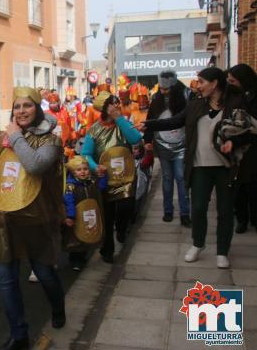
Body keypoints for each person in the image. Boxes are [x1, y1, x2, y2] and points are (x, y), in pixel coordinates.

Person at [0, 87, 66, 350]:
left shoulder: (51, 140)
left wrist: (16, 137)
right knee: (6, 278)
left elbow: (35, 165)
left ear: (37, 108)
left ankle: (57, 306)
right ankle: (19, 334)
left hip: (36, 218)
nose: (21, 111)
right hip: (5, 217)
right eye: (17, 107)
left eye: (27, 105)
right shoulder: (6, 139)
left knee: (44, 273)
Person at [141, 67, 246, 268]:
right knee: (198, 208)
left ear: (214, 83)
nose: (198, 85)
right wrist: (149, 125)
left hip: (225, 166)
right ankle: (198, 244)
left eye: (201, 81)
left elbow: (246, 129)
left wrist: (234, 142)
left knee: (225, 210)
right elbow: (175, 121)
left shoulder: (234, 104)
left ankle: (222, 252)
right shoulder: (195, 105)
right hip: (199, 166)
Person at [81, 91, 143, 264]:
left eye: (118, 103)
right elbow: (85, 154)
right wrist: (95, 167)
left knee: (126, 208)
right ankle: (106, 249)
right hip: (105, 179)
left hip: (126, 178)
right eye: (113, 103)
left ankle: (122, 229)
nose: (117, 106)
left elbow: (135, 139)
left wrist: (119, 119)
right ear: (104, 108)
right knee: (106, 215)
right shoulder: (94, 130)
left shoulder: (123, 123)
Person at [143, 70, 191, 227]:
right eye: (161, 89)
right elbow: (150, 119)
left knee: (181, 178)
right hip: (162, 146)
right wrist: (147, 140)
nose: (163, 92)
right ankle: (168, 211)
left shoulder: (186, 97)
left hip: (181, 145)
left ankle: (185, 213)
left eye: (167, 89)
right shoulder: (156, 99)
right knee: (167, 179)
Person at [226, 64, 257, 234]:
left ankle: (253, 218)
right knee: (238, 186)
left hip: (252, 146)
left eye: (233, 81)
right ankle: (242, 219)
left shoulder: (252, 96)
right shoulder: (233, 97)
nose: (230, 83)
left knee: (252, 186)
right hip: (237, 149)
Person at [62, 156, 107, 272]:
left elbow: (101, 187)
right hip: (76, 216)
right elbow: (69, 201)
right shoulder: (70, 186)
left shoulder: (91, 182)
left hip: (89, 213)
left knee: (87, 234)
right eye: (79, 170)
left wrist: (103, 177)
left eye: (85, 169)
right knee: (76, 238)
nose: (83, 172)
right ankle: (75, 260)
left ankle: (82, 256)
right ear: (73, 172)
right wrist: (70, 216)